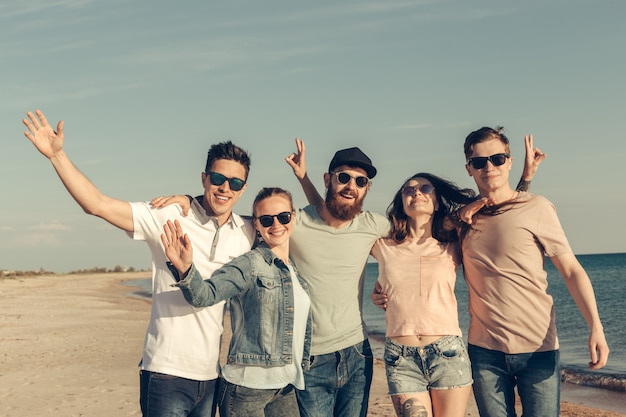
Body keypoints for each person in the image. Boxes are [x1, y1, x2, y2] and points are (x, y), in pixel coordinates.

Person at [22, 109, 255, 417]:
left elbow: (294, 225)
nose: (226, 188)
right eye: (218, 178)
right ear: (204, 178)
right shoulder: (168, 215)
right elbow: (97, 204)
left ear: (244, 189)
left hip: (211, 375)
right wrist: (57, 157)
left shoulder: (248, 231)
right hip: (165, 372)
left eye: (235, 183)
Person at [460, 127, 609, 417]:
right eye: (479, 162)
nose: (489, 167)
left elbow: (571, 270)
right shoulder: (463, 219)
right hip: (484, 352)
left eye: (498, 159)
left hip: (539, 350)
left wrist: (596, 327)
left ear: (510, 161)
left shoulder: (537, 207)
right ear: (469, 168)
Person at [161, 187, 311, 417]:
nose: (276, 225)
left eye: (283, 217)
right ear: (257, 225)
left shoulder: (295, 271)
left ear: (293, 216)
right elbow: (205, 295)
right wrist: (186, 270)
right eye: (267, 219)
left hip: (285, 386)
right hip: (246, 390)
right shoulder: (249, 264)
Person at [370, 173, 477, 417]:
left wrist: (525, 179)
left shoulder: (452, 242)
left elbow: (492, 205)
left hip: (447, 353)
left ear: (437, 202)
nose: (416, 192)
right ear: (402, 203)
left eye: (425, 188)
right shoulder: (383, 245)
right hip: (401, 357)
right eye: (408, 190)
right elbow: (336, 225)